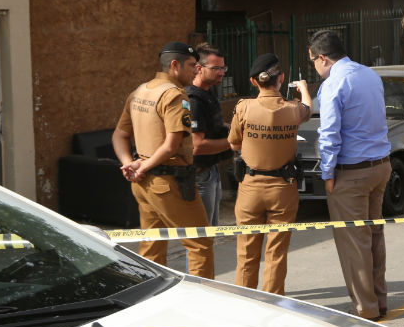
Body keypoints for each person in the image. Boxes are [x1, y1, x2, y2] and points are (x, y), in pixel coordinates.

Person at [112, 41, 215, 277]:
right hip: (170, 184)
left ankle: (153, 292)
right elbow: (171, 145)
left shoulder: (139, 91)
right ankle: (202, 296)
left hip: (143, 183)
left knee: (152, 245)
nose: (196, 70)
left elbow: (119, 135)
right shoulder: (175, 96)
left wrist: (130, 164)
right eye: (192, 65)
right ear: (175, 65)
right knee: (199, 243)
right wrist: (141, 167)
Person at [308, 30, 391, 320]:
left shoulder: (334, 83)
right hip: (380, 165)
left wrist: (327, 173)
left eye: (313, 62)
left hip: (351, 172)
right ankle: (379, 300)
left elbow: (329, 134)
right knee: (373, 236)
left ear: (322, 58)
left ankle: (365, 308)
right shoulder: (369, 74)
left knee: (354, 242)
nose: (314, 68)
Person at [227, 54, 312, 295]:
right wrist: (304, 89)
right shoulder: (293, 109)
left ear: (254, 82)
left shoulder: (243, 107)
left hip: (250, 187)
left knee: (246, 251)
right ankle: (272, 300)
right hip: (283, 188)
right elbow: (308, 108)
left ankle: (245, 300)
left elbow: (234, 144)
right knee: (276, 252)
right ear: (281, 78)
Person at [187, 43, 233, 227]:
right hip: (199, 174)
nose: (221, 73)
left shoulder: (208, 93)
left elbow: (212, 126)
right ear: (199, 68)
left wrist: (233, 128)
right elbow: (197, 146)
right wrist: (235, 141)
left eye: (223, 68)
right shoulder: (194, 100)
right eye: (216, 68)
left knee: (211, 229)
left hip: (211, 170)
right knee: (202, 233)